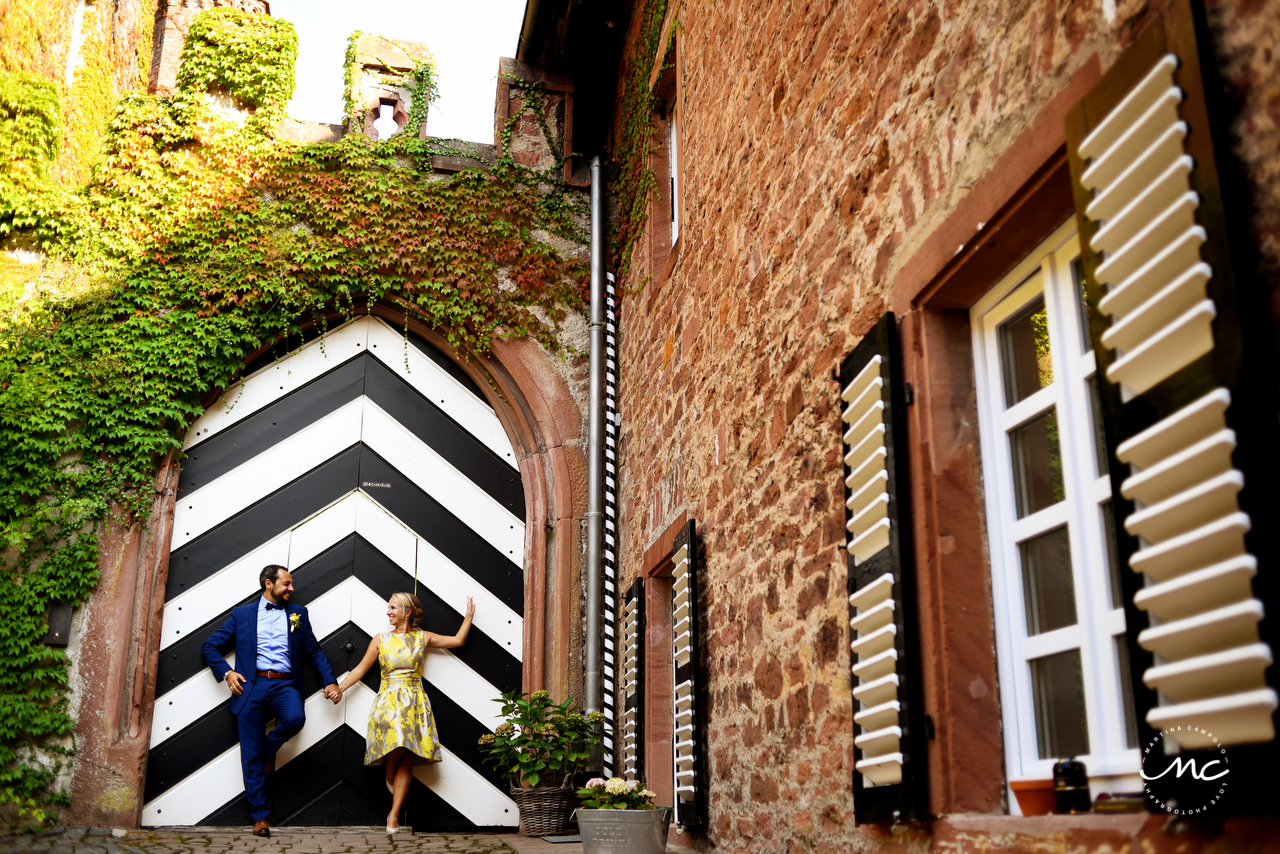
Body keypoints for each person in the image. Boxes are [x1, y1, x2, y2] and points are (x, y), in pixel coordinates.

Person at [200, 565, 342, 838]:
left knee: (295, 718)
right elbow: (209, 646)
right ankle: (260, 818)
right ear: (268, 584)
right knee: (249, 757)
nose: (291, 588)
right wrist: (227, 673)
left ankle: (264, 751)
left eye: (291, 584)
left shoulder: (298, 614)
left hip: (284, 683)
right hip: (250, 686)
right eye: (286, 584)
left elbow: (313, 650)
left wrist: (330, 681)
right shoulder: (242, 615)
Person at [335, 592, 475, 833]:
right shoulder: (381, 639)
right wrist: (340, 688)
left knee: (408, 754)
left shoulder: (423, 637)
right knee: (398, 747)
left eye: (393, 607)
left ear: (407, 612)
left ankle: (393, 815)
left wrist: (469, 616)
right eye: (388, 607)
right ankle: (390, 769)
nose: (388, 612)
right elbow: (360, 668)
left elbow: (458, 641)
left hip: (416, 702)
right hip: (388, 702)